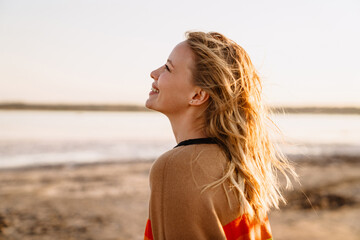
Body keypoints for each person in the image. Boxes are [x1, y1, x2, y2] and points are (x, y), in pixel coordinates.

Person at [144, 31, 296, 240]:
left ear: (197, 95)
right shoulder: (238, 164)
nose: (154, 73)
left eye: (168, 68)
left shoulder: (176, 167)